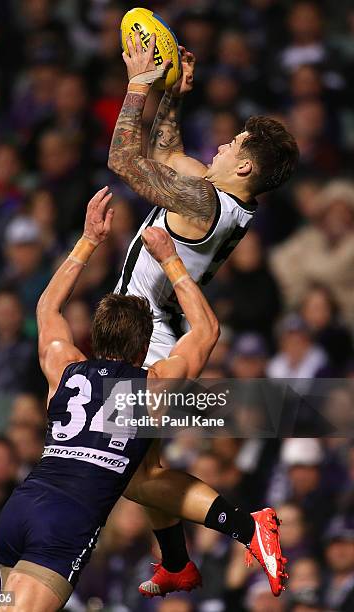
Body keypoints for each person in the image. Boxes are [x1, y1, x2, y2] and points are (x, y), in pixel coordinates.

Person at [108, 32, 298, 596]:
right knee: (145, 474)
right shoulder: (226, 203)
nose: (221, 144)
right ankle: (175, 564)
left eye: (233, 142)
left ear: (243, 167)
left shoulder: (204, 201)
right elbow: (165, 153)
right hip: (153, 332)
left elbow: (125, 158)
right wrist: (175, 92)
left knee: (130, 476)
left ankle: (247, 526)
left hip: (149, 340)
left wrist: (141, 82)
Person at [0, 187, 219, 611]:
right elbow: (205, 332)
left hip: (20, 509)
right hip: (64, 525)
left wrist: (89, 239)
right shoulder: (150, 388)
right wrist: (170, 259)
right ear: (145, 344)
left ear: (94, 337)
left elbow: (47, 309)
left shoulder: (64, 366)